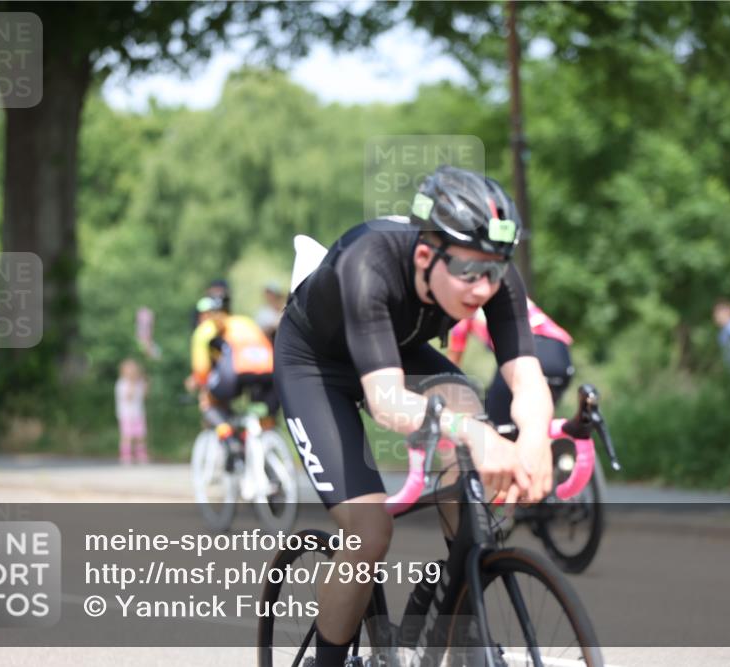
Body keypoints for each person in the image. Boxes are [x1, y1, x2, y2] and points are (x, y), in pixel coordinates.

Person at [275, 165, 554, 667]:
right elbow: (387, 402)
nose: (482, 288)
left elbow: (526, 375)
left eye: (493, 271)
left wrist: (533, 440)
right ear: (425, 255)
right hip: (316, 365)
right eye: (469, 272)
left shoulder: (492, 272)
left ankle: (457, 612)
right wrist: (476, 435)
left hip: (396, 349)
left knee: (481, 490)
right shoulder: (368, 264)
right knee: (369, 531)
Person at [448, 297, 575, 428]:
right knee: (537, 426)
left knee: (495, 425)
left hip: (525, 351)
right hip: (560, 357)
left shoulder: (465, 305)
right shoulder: (508, 291)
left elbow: (453, 361)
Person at [187, 291, 277, 449]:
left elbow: (201, 370)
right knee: (261, 413)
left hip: (238, 372)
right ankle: (256, 438)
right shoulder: (247, 322)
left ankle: (229, 438)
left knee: (208, 401)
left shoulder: (206, 329)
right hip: (270, 372)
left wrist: (200, 383)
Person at [115, 359, 149, 464]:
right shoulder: (122, 383)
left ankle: (141, 455)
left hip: (138, 413)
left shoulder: (139, 383)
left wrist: (146, 384)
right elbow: (128, 396)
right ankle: (126, 456)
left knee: (140, 436)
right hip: (126, 414)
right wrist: (132, 384)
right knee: (127, 436)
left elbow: (144, 396)